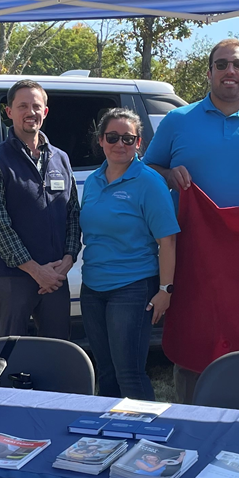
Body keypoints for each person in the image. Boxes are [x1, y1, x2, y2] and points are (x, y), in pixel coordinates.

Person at [143, 38, 239, 401]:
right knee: (195, 336)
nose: (231, 72)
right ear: (209, 72)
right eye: (222, 65)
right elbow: (148, 170)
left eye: (238, 65)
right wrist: (168, 174)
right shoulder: (179, 121)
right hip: (193, 251)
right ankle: (190, 417)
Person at [79, 108, 179, 399]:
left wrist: (165, 290)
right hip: (93, 288)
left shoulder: (149, 183)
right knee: (106, 371)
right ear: (101, 140)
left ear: (139, 143)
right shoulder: (94, 181)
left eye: (128, 138)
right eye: (112, 137)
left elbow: (168, 241)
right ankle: (110, 440)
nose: (120, 144)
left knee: (129, 373)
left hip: (133, 288)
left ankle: (148, 438)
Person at [0, 79, 81, 340]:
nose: (30, 112)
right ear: (9, 112)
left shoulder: (61, 159)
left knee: (57, 353)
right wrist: (35, 270)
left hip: (56, 275)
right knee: (8, 356)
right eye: (22, 106)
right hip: (13, 278)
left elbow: (73, 213)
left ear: (45, 112)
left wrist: (69, 258)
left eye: (36, 106)